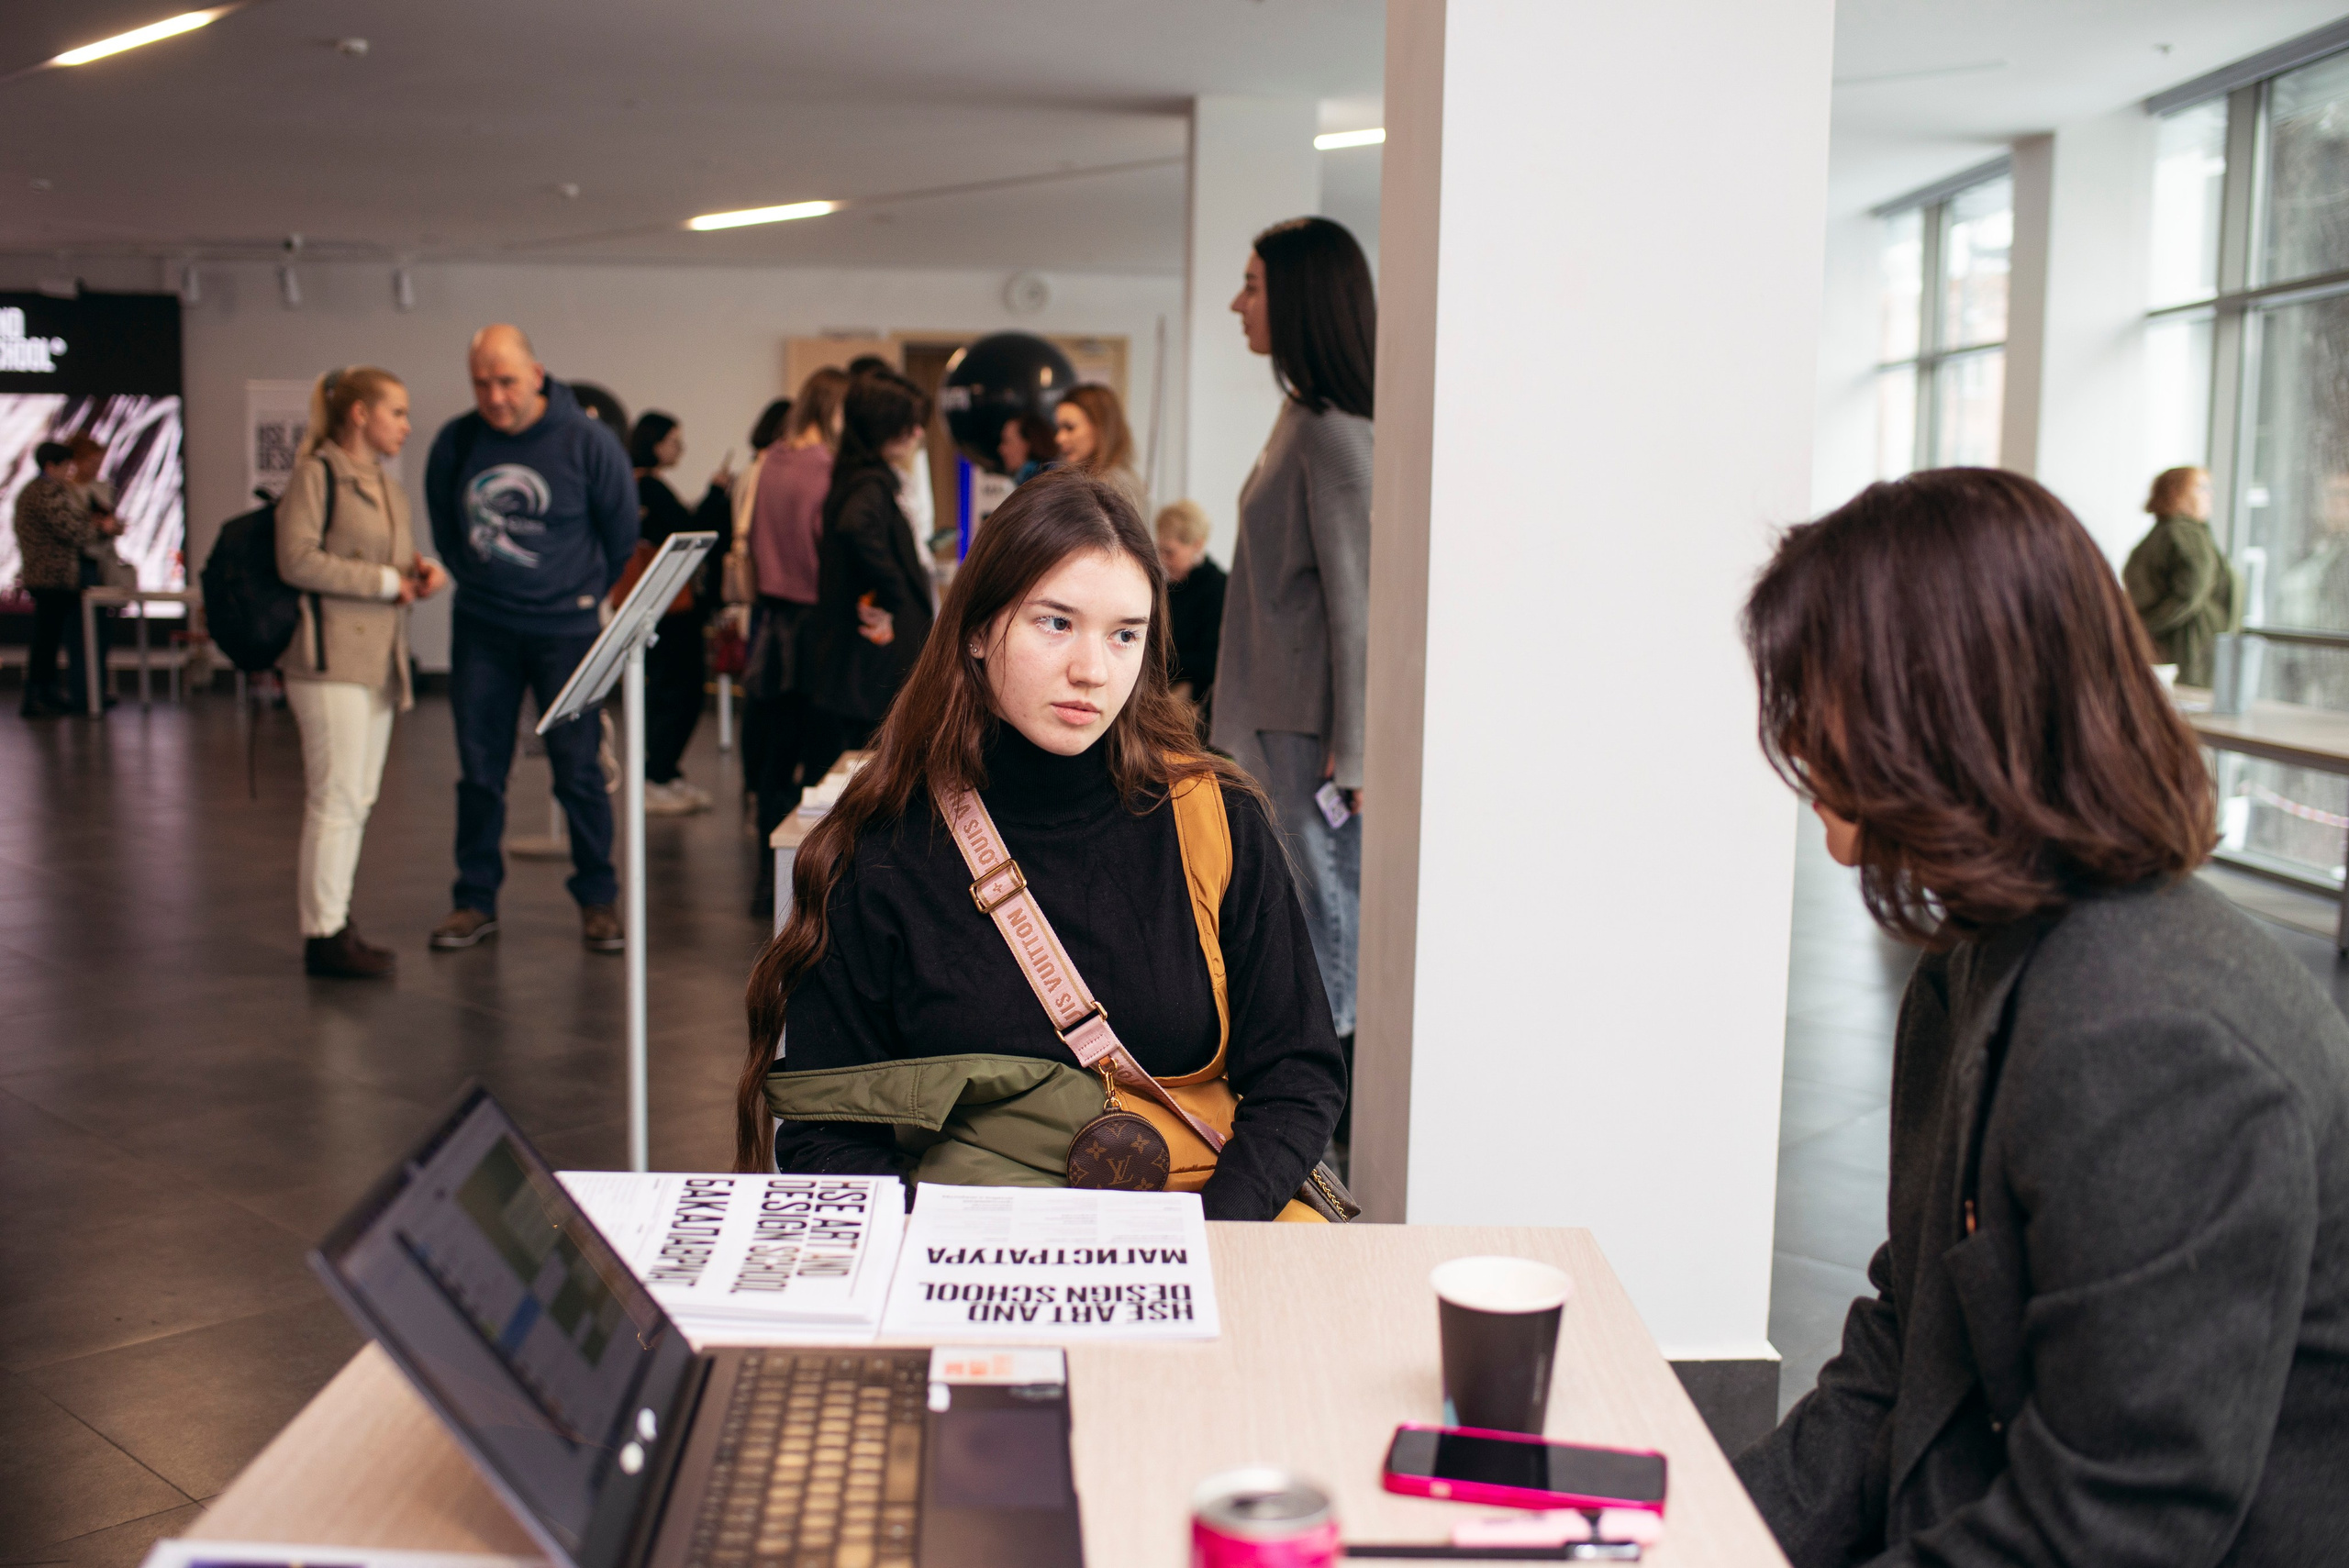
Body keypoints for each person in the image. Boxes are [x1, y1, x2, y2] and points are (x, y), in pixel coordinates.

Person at [1735, 467, 2349, 1567]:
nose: (1798, 747)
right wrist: (1704, 1536)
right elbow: (1909, 1341)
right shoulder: (1978, 956)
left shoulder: (2157, 1039)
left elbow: (2115, 1528)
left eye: (1821, 702)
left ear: (1941, 713)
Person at [732, 468, 1347, 1221]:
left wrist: (1206, 1243)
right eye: (1055, 622)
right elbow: (830, 1133)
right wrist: (950, 1260)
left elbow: (1299, 1074)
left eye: (1125, 634)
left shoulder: (1217, 820)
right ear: (980, 630)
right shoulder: (881, 851)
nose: (1092, 671)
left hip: (1202, 1227)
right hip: (972, 1257)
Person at [1213, 215, 1375, 1047]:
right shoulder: (1300, 419)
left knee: (1324, 929)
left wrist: (1354, 749)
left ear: (1299, 298)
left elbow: (1360, 600)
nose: (1238, 304)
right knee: (1291, 923)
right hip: (1274, 718)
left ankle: (1325, 1130)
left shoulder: (1334, 435)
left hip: (1305, 731)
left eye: (1253, 285)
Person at [424, 324, 637, 953]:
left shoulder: (588, 441)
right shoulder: (458, 441)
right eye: (482, 382)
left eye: (507, 380)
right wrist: (482, 584)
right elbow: (445, 524)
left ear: (537, 375)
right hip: (483, 627)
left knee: (579, 771)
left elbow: (620, 532)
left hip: (567, 630)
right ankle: (474, 899)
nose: (494, 395)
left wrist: (576, 591)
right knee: (480, 771)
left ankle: (599, 900)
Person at [276, 366, 450, 978]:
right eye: (395, 412)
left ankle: (335, 922)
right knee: (336, 798)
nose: (405, 425)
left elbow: (392, 560)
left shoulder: (383, 483)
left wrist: (421, 572)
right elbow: (296, 558)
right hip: (329, 661)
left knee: (357, 796)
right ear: (358, 414)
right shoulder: (318, 472)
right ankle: (323, 933)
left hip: (376, 658)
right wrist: (384, 581)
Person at [745, 368, 850, 917]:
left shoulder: (770, 461)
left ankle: (766, 880)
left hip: (771, 625)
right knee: (821, 764)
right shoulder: (828, 471)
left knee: (772, 759)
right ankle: (813, 885)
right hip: (816, 628)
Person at [800, 371, 936, 784]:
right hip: (867, 666)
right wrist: (893, 597)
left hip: (859, 661)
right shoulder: (869, 484)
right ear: (883, 425)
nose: (916, 434)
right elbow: (855, 527)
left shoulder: (859, 475)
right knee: (866, 771)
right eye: (907, 424)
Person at [628, 411, 731, 815]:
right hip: (671, 611)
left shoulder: (640, 486)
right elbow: (687, 533)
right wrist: (715, 495)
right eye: (674, 440)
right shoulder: (648, 486)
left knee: (670, 692)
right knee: (678, 693)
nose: (680, 448)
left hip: (660, 609)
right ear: (655, 443)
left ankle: (664, 774)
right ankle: (658, 777)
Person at [2121, 464, 2234, 686]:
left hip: (2177, 646)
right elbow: (2190, 592)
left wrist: (2140, 628)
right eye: (2201, 487)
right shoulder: (2183, 532)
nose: (2210, 495)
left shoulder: (2166, 532)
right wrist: (2145, 627)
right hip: (2186, 648)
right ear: (2176, 493)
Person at [11, 440, 95, 717]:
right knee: (46, 639)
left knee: (47, 637)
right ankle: (38, 695)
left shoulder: (32, 491)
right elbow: (71, 529)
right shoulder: (45, 492)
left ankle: (44, 692)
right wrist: (98, 526)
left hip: (43, 575)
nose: (69, 472)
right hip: (52, 576)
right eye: (65, 466)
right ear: (51, 466)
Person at [1155, 500, 1224, 726]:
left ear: (1197, 545)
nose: (1163, 561)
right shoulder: (1166, 588)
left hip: (1198, 707)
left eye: (1170, 552)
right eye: (1160, 551)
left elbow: (1212, 661)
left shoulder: (1219, 588)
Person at [1052, 384, 1148, 521]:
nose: (1059, 438)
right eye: (1059, 428)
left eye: (1070, 427)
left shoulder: (1116, 485)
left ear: (1099, 428)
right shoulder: (1080, 478)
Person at [998, 411, 1055, 484]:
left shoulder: (1035, 484)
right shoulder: (1050, 477)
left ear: (1027, 444)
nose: (1001, 449)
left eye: (1007, 441)